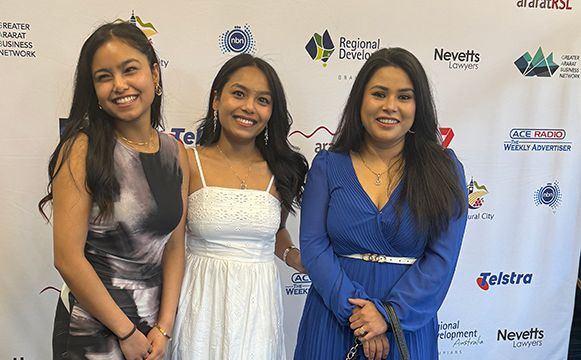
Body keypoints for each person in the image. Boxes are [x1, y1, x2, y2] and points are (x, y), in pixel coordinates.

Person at [294, 47, 468, 360]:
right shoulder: (327, 165)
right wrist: (359, 315)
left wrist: (388, 316)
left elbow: (442, 259)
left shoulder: (445, 169)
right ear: (360, 100)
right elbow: (313, 245)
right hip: (333, 317)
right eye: (379, 93)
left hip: (407, 325)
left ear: (419, 106)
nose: (390, 106)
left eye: (404, 96)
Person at [39, 22, 189, 360]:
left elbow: (175, 247)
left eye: (129, 70)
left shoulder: (175, 153)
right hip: (93, 330)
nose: (119, 85)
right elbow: (67, 258)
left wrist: (164, 327)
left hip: (151, 331)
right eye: (103, 76)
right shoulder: (81, 149)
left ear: (154, 74)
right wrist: (125, 331)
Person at [166, 54, 308, 360]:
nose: (249, 107)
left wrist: (292, 255)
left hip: (258, 307)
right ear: (217, 100)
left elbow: (277, 231)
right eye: (239, 93)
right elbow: (173, 244)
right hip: (199, 302)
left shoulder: (283, 170)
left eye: (263, 100)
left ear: (272, 111)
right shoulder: (188, 160)